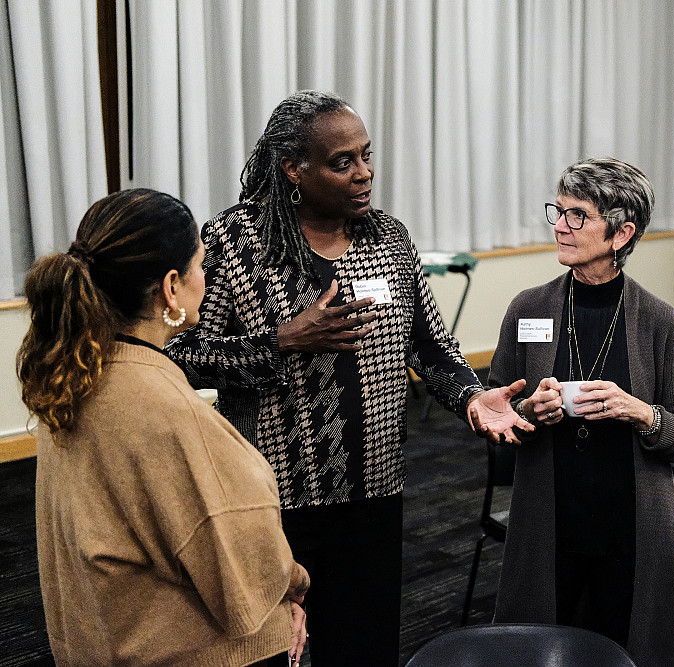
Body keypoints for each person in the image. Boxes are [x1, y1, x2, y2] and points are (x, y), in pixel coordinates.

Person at [164, 90, 527, 665]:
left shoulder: (388, 237)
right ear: (293, 169)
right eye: (342, 162)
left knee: (364, 647)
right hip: (270, 497)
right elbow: (181, 353)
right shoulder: (234, 242)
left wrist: (472, 396)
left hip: (373, 490)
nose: (364, 174)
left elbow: (431, 346)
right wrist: (285, 340)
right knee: (268, 651)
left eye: (366, 156)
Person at [18, 189, 309, 667]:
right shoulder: (163, 408)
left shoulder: (74, 375)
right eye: (199, 264)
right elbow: (239, 558)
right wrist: (294, 585)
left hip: (101, 641)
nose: (205, 276)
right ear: (170, 287)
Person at [487, 157, 674, 666]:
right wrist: (527, 411)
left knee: (624, 650)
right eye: (558, 211)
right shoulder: (528, 309)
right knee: (538, 647)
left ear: (621, 233)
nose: (561, 225)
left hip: (629, 528)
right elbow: (497, 406)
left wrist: (641, 413)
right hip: (549, 521)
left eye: (577, 215)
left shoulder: (662, 323)